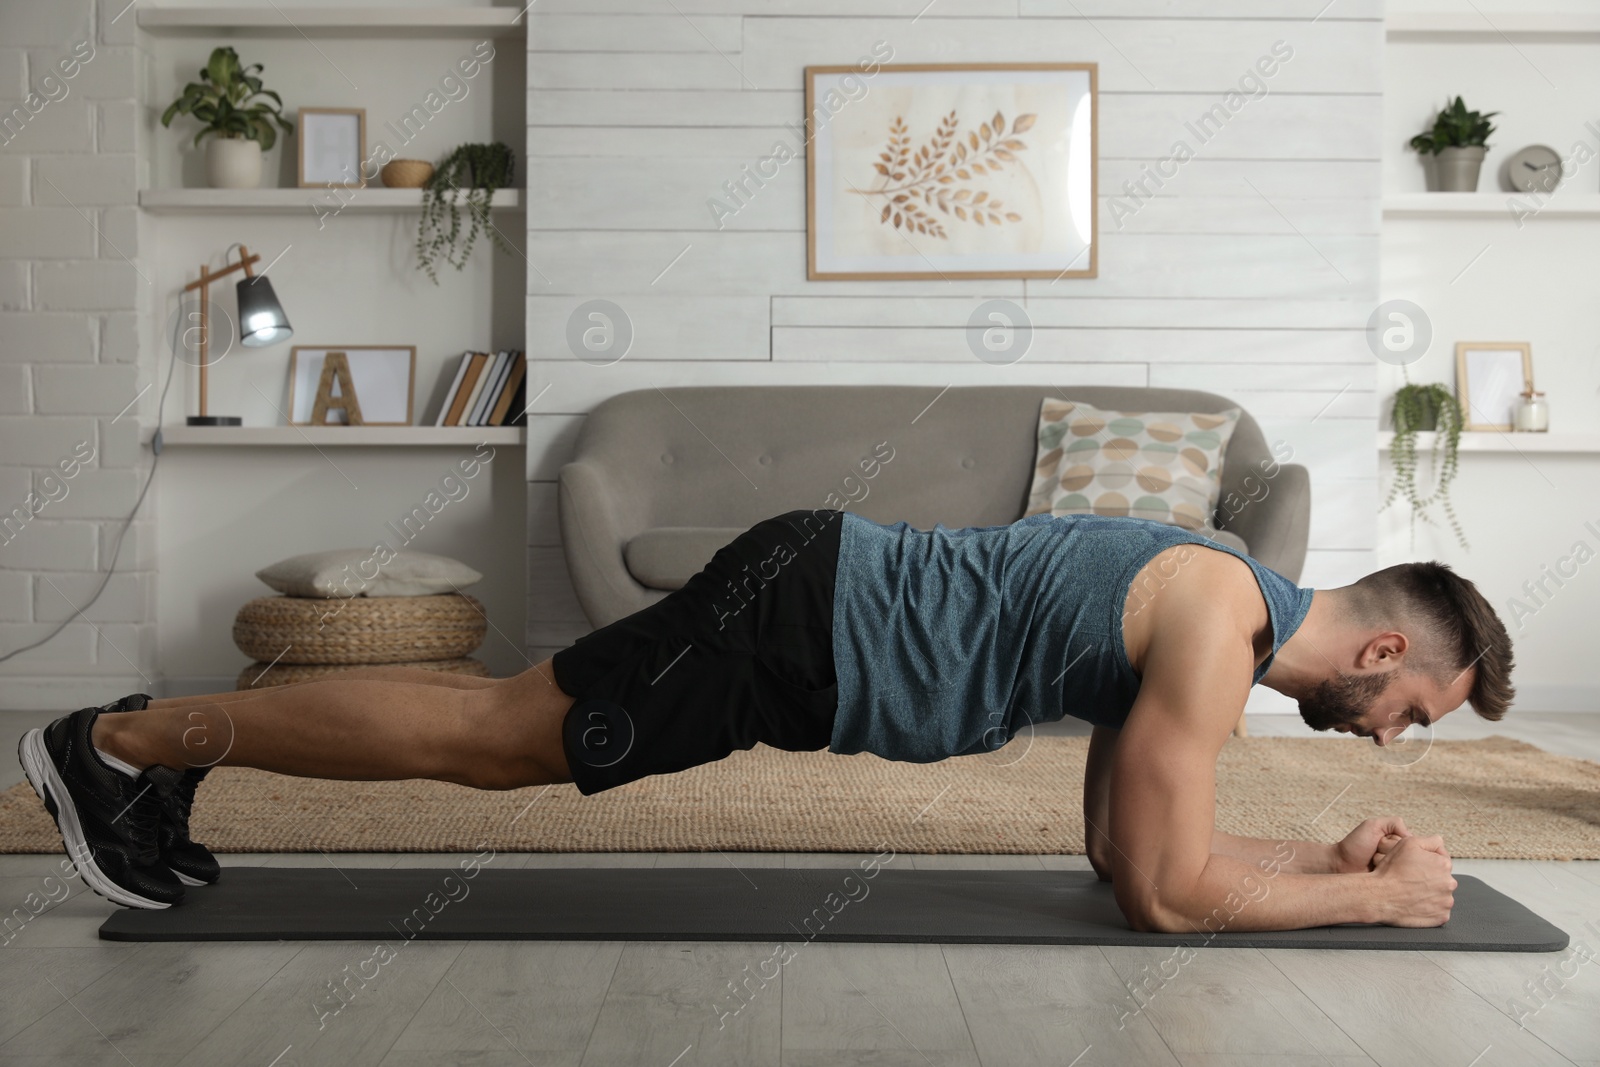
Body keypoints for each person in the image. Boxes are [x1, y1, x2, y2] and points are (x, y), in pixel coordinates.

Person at [18, 508, 1514, 927]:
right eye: (1412, 709)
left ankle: (146, 755)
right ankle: (120, 747)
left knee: (491, 719)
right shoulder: (1213, 622)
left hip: (811, 608)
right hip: (806, 628)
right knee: (492, 746)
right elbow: (1178, 897)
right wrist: (1373, 908)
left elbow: (1134, 870)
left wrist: (1322, 863)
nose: (1392, 737)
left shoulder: (1210, 612)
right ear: (1384, 642)